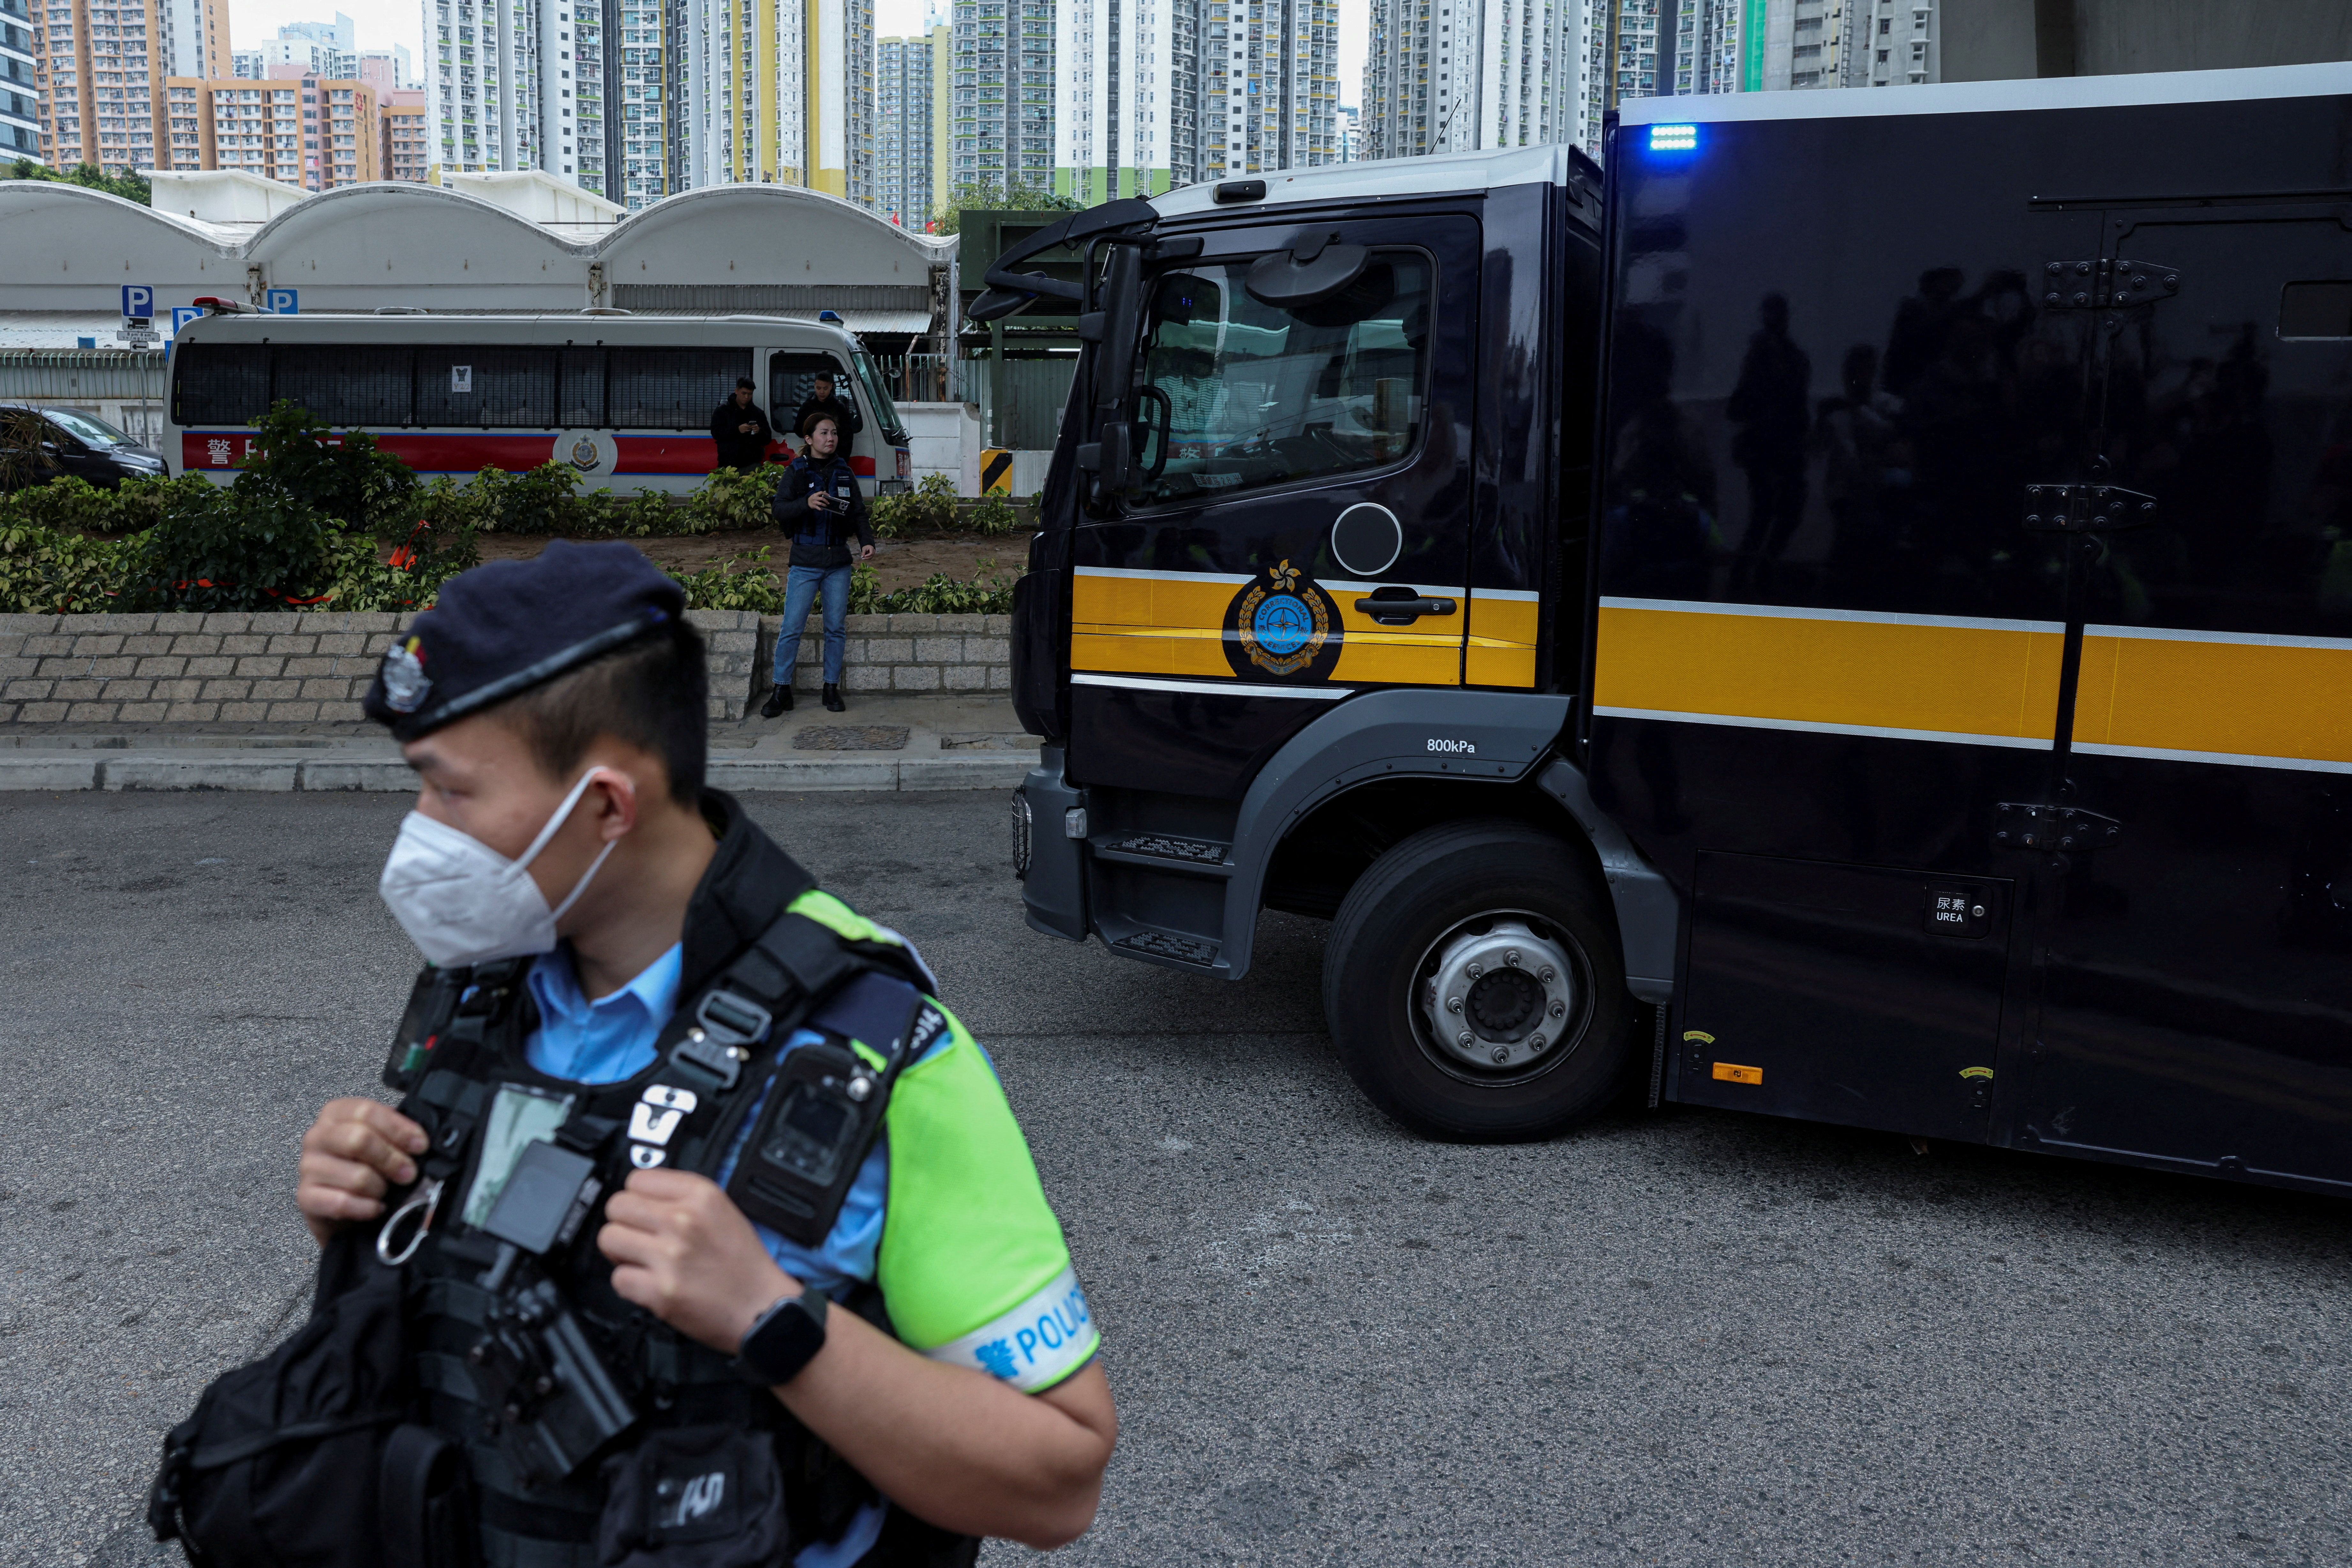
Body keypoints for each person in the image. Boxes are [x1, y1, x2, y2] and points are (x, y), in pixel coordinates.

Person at [291, 541, 1116, 1565]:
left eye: (449, 792)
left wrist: (772, 1319)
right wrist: (364, 1224)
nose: (420, 835)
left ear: (605, 806)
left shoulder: (876, 1047)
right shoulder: (486, 996)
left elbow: (1061, 1477)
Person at [765, 413, 872, 717]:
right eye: (824, 433)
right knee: (791, 628)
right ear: (809, 439)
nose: (831, 438)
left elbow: (858, 512)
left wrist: (867, 541)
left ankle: (830, 687)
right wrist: (806, 503)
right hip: (805, 562)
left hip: (838, 562)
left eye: (834, 433)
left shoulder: (844, 472)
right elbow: (779, 510)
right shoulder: (796, 472)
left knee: (835, 628)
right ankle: (781, 689)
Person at [711, 376, 775, 472]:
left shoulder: (758, 413)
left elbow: (767, 439)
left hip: (752, 465)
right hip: (728, 465)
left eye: (750, 394)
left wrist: (759, 431)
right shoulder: (723, 411)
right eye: (744, 393)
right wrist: (737, 430)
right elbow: (716, 433)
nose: (747, 397)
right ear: (737, 391)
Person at [793, 371, 864, 443]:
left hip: (834, 450)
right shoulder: (807, 407)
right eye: (819, 388)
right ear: (815, 386)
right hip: (813, 450)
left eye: (825, 389)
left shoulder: (839, 408)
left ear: (831, 387)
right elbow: (798, 430)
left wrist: (840, 453)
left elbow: (848, 435)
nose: (822, 392)